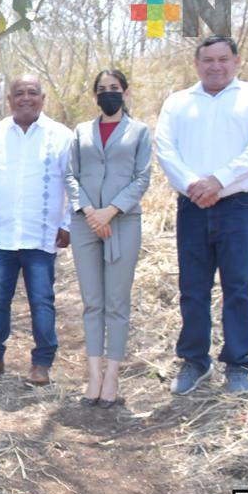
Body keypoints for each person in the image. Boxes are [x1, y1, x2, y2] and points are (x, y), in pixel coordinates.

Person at [156, 35, 248, 395]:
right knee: (193, 288)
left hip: (239, 206)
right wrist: (194, 185)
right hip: (192, 207)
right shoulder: (178, 102)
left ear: (236, 61)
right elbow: (165, 148)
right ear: (196, 64)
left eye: (223, 59)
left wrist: (218, 181)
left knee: (238, 287)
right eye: (207, 60)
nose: (215, 66)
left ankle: (237, 364)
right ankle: (195, 360)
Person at [0, 74, 73, 386]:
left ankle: (42, 364)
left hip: (42, 236)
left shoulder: (61, 136)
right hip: (0, 236)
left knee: (42, 300)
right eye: (19, 93)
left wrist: (67, 224)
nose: (26, 98)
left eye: (33, 92)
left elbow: (75, 184)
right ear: (9, 100)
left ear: (43, 97)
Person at [65, 70, 152, 408]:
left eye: (114, 89)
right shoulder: (80, 132)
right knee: (92, 301)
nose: (108, 94)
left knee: (116, 302)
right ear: (95, 97)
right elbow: (70, 175)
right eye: (102, 90)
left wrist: (110, 211)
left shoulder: (140, 131)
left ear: (125, 93)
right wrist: (90, 211)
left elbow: (142, 177)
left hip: (123, 223)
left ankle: (113, 374)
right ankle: (93, 375)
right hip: (85, 223)